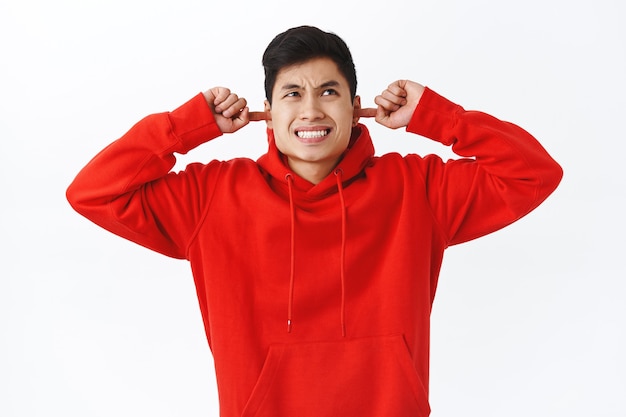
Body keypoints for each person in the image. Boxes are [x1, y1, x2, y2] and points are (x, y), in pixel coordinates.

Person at [66, 25, 562, 417]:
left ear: (356, 107)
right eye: (291, 94)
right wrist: (185, 126)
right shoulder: (210, 196)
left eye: (328, 91)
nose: (310, 110)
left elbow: (534, 174)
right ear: (266, 111)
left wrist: (438, 116)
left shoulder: (419, 189)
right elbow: (94, 192)